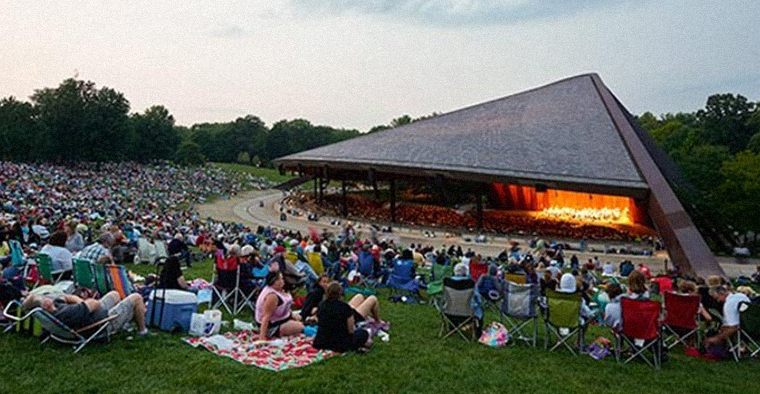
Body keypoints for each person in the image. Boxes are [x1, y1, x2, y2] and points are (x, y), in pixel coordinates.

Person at [22, 290, 148, 336]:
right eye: (44, 298)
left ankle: (126, 321)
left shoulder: (55, 308)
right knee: (136, 297)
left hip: (91, 315)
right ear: (46, 305)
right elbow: (94, 303)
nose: (47, 297)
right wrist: (82, 304)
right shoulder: (66, 312)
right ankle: (142, 330)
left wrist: (81, 302)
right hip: (103, 324)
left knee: (114, 294)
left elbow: (67, 297)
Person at [313, 281, 373, 353]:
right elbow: (350, 330)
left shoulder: (321, 305)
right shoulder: (345, 307)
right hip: (340, 344)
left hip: (322, 341)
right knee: (363, 333)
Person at [704, 285, 751, 359]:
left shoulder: (728, 305)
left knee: (725, 330)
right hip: (754, 327)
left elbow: (734, 327)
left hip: (744, 331)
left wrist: (716, 339)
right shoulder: (741, 296)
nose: (718, 301)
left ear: (721, 294)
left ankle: (723, 350)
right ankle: (743, 348)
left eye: (717, 298)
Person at [255, 271, 304, 339]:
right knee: (300, 327)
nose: (282, 281)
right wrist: (262, 337)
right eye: (278, 280)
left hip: (282, 318)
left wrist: (291, 314)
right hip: (272, 325)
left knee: (300, 318)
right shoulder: (272, 296)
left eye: (282, 279)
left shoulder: (280, 290)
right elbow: (265, 317)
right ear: (272, 282)